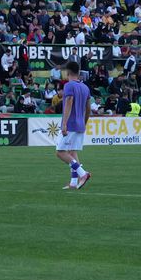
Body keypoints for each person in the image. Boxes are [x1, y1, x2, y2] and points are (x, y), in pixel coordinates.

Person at [57, 60, 92, 191]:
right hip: (80, 124)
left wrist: (64, 123)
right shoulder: (85, 87)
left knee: (60, 152)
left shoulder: (68, 85)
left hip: (70, 124)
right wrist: (84, 122)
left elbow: (69, 102)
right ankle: (73, 182)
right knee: (72, 152)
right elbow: (88, 108)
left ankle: (83, 174)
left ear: (67, 72)